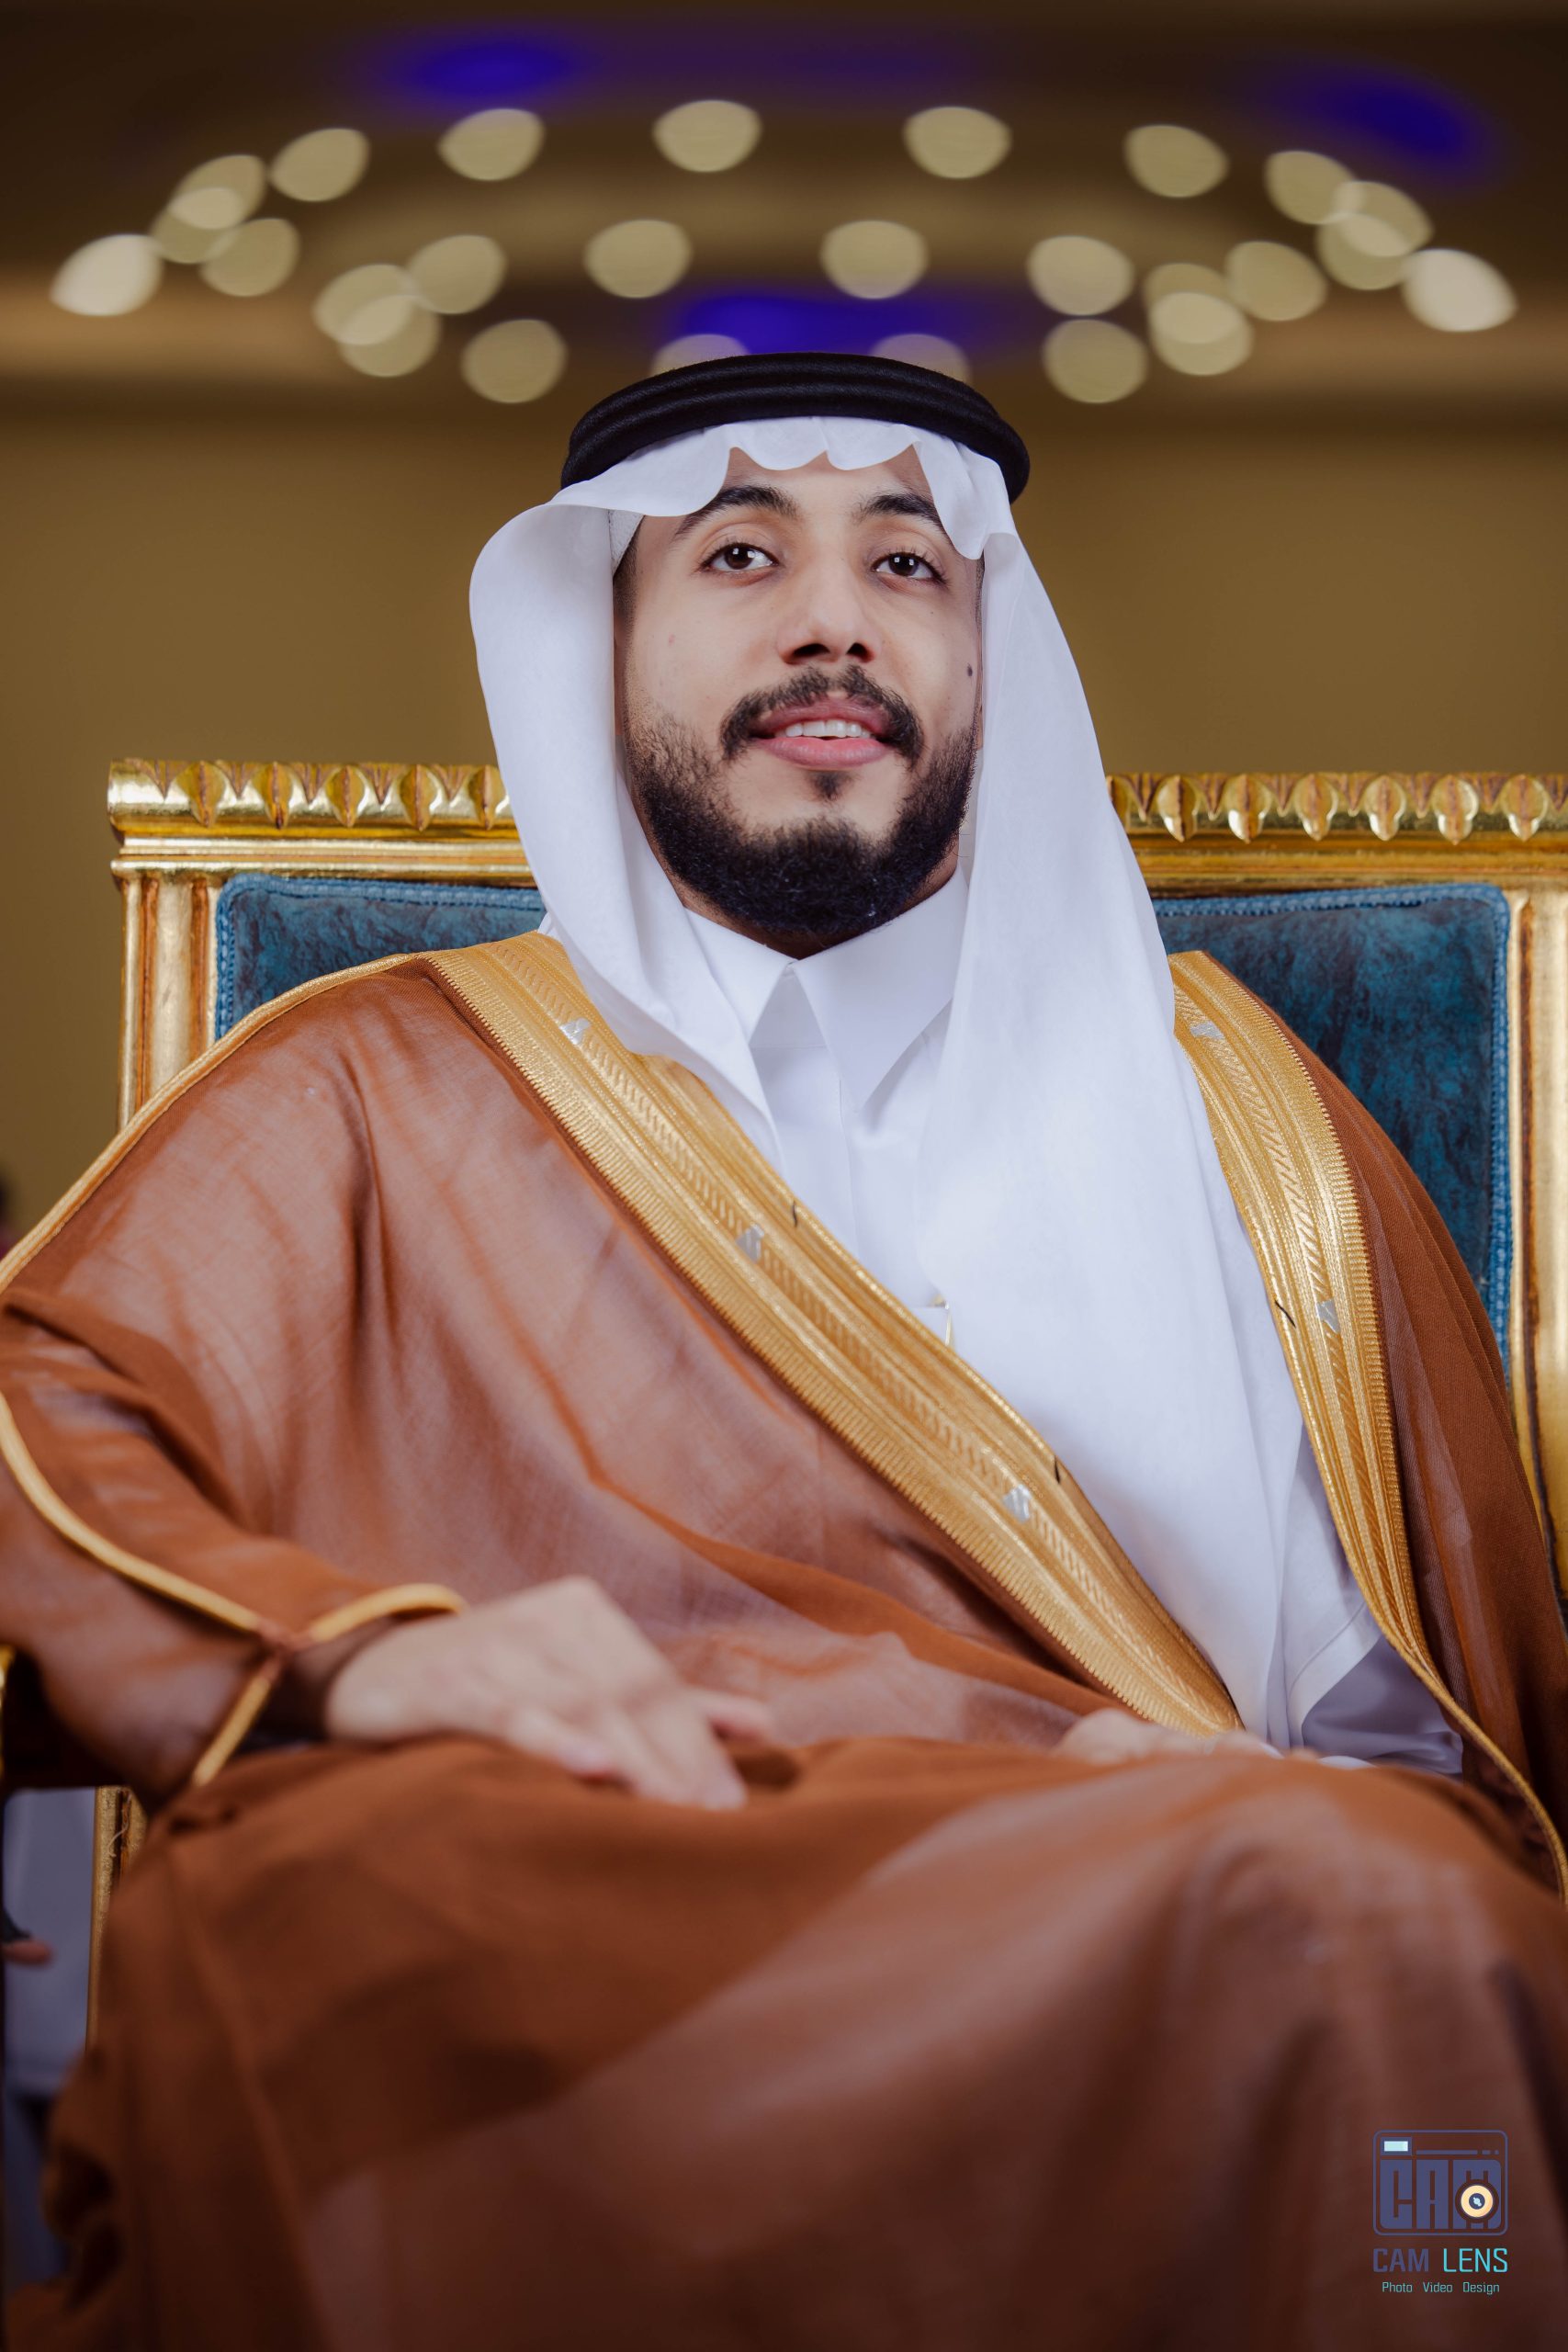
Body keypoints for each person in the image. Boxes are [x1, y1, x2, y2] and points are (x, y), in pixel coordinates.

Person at [3, 353, 1566, 2348]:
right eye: (740, 553)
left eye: (904, 562)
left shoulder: (1245, 1131)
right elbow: (35, 1413)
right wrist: (349, 1652)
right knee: (303, 1915)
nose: (833, 617)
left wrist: (1156, 1794)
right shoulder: (375, 1084)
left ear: (987, 653)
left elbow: (1428, 1742)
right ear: (604, 642)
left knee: (1395, 1926)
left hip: (1139, 1903)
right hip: (576, 1887)